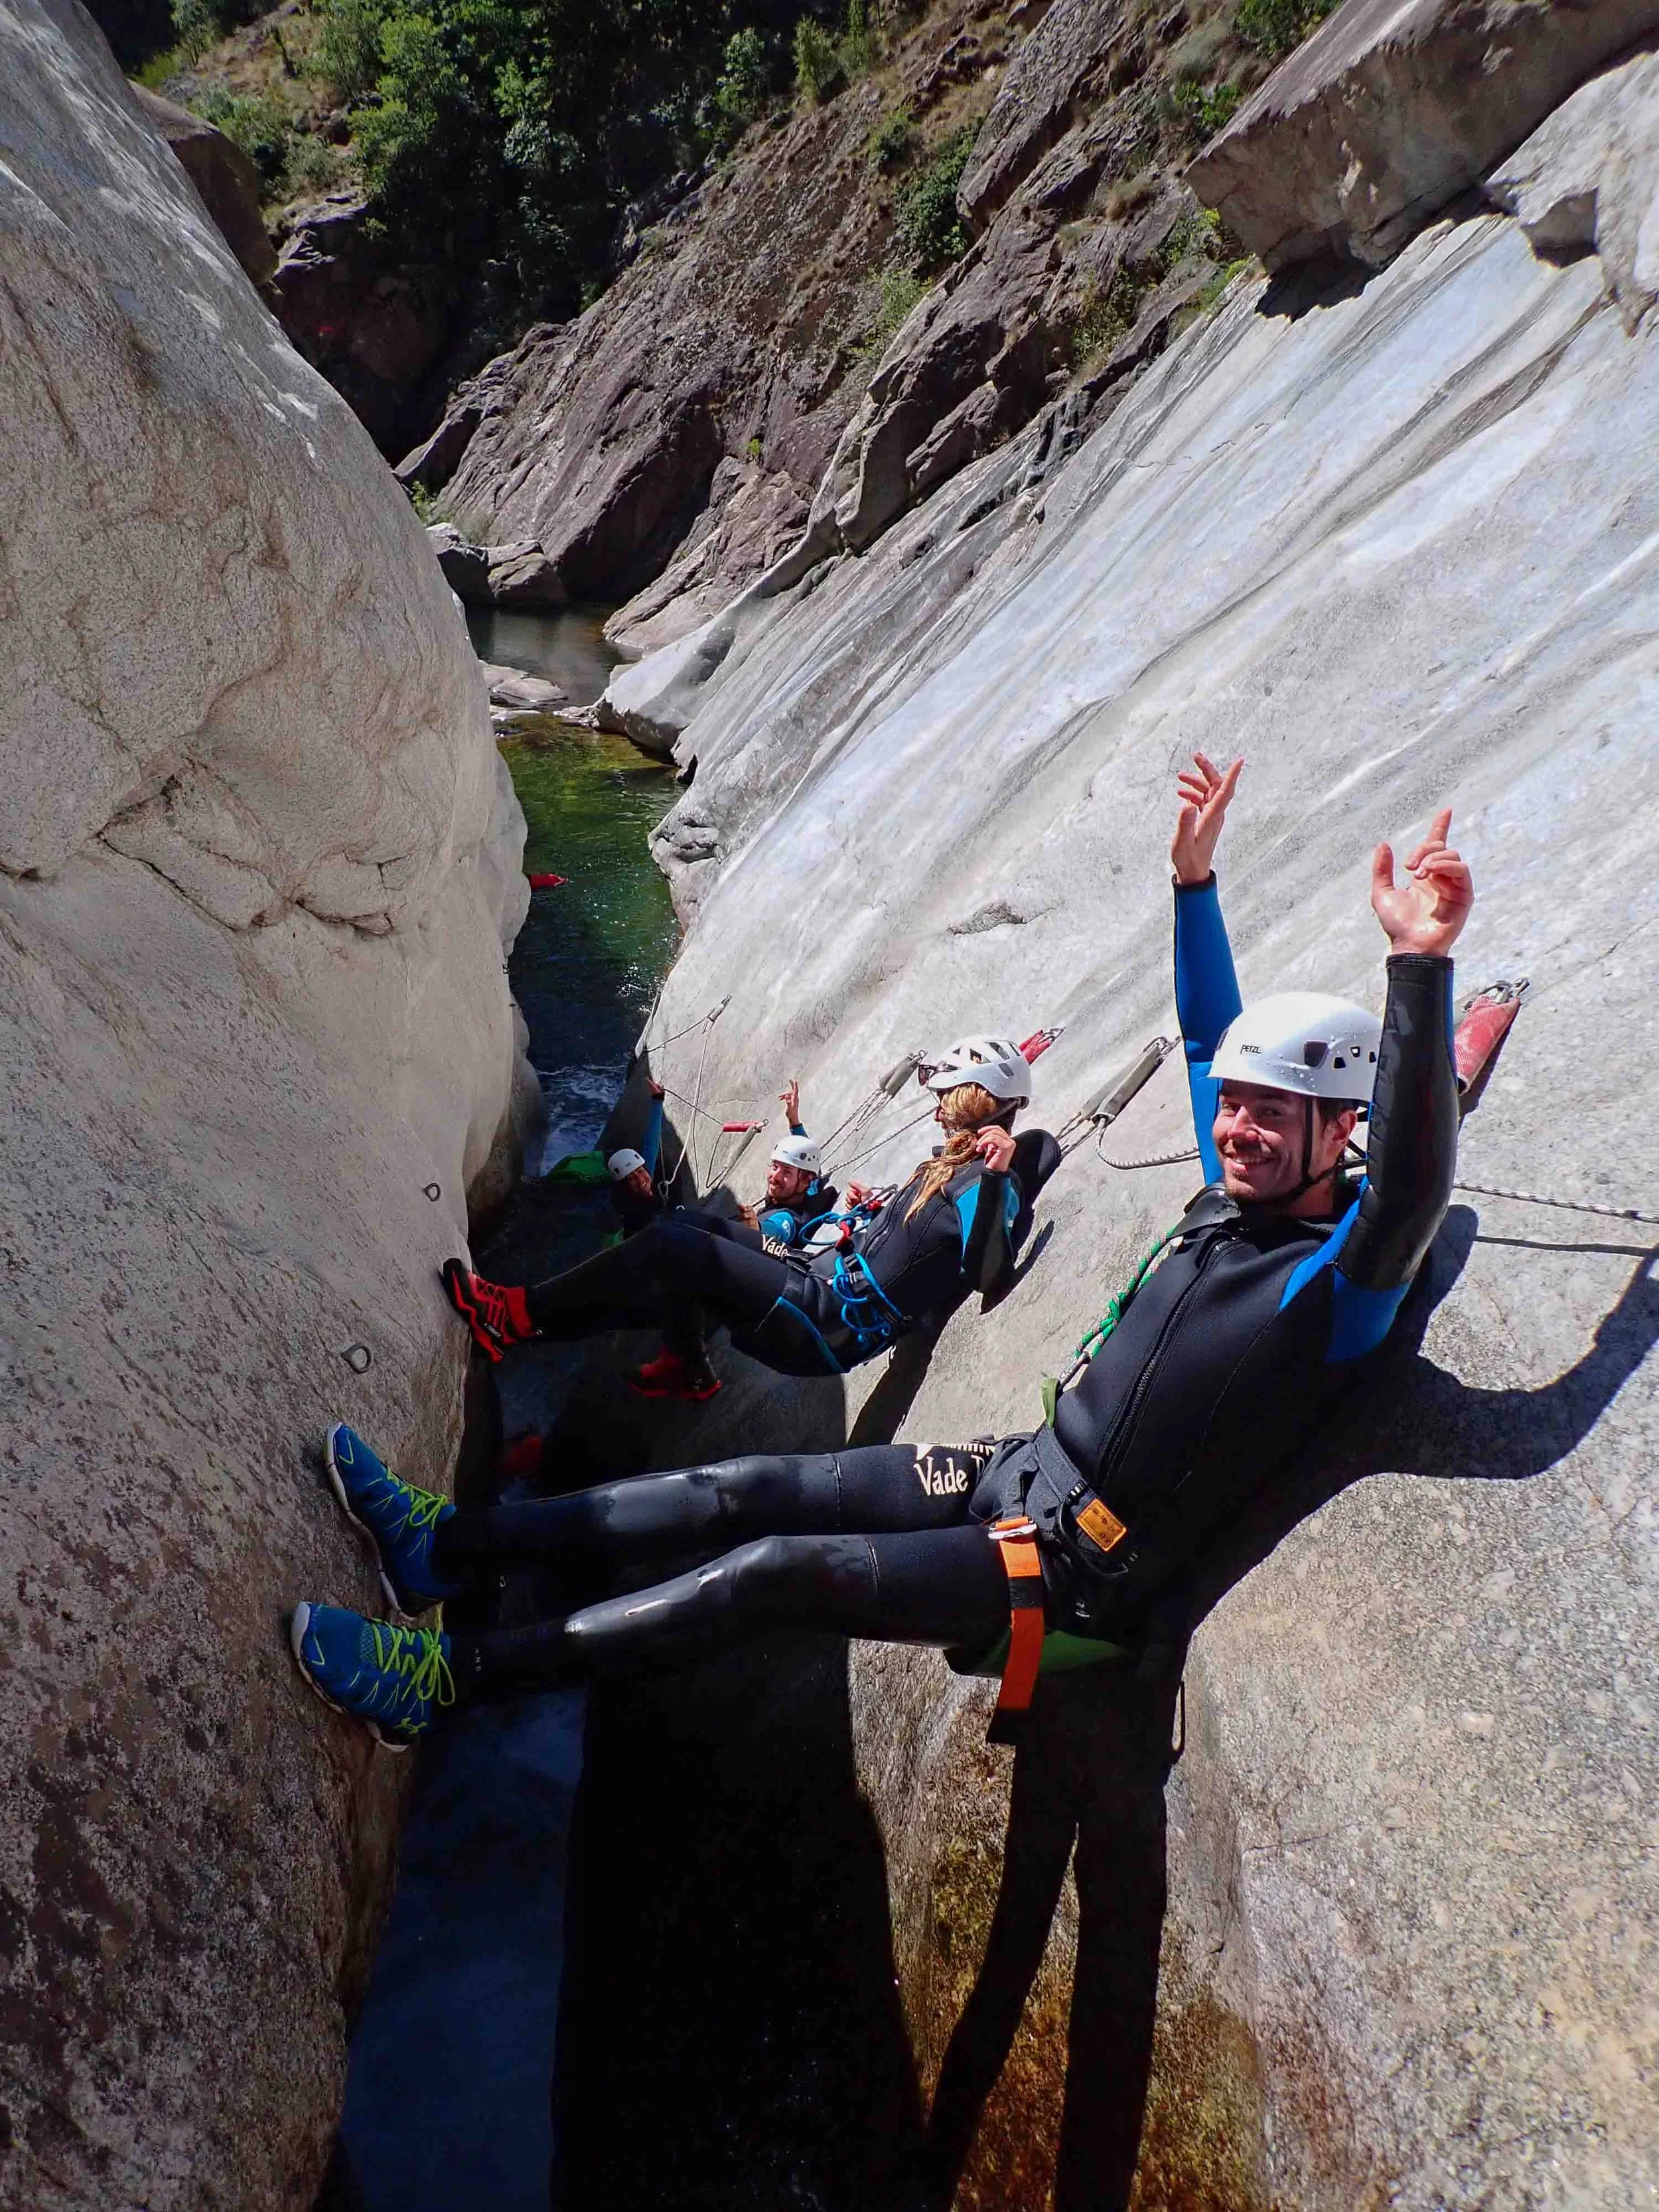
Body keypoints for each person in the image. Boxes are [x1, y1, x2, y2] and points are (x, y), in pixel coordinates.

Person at [290, 757, 1469, 1745]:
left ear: (1343, 1130)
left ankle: (443, 1686)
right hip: (1016, 1471)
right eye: (1237, 1106)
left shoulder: (1342, 1279)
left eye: (1275, 1112)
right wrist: (1192, 880)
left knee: (772, 1569)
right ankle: (447, 1545)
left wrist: (1419, 965)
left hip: (1069, 1565)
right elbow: (1212, 1032)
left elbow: (1416, 1179)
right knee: (740, 1486)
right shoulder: (1233, 1199)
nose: (1240, 1126)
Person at [439, 1037, 1045, 1402]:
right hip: (820, 1277)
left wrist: (994, 1180)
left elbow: (989, 1274)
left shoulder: (987, 1180)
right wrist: (869, 1215)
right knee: (700, 1226)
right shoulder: (952, 1166)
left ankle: (515, 1317)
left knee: (676, 1248)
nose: (938, 1107)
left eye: (948, 1094)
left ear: (974, 1095)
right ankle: (688, 1363)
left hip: (829, 1319)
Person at [607, 1080, 668, 1238]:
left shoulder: (645, 1176)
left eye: (640, 1171)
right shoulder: (631, 1212)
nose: (641, 1179)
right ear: (624, 1186)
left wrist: (658, 1100)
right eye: (631, 1178)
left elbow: (652, 1143)